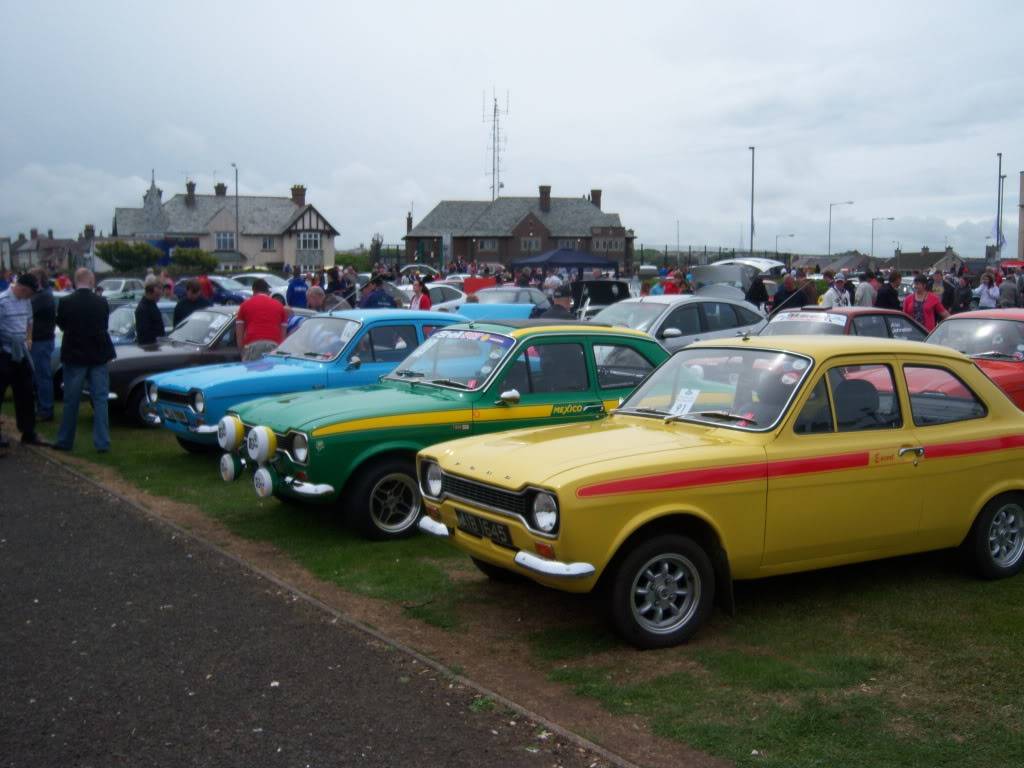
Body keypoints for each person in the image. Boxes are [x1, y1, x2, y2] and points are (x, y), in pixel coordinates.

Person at [53, 268, 116, 452]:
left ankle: (65, 440)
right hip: (98, 355)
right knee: (100, 400)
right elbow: (104, 325)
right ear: (91, 281)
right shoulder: (101, 302)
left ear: (75, 281)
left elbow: (62, 325)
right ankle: (102, 442)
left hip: (74, 355)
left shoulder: (66, 302)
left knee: (71, 400)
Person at [0, 273, 49, 449]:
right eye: (29, 292)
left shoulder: (26, 301)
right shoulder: (2, 301)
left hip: (22, 354)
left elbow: (29, 321)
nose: (30, 296)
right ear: (22, 288)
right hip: (5, 354)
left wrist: (29, 339)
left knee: (26, 394)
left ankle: (28, 433)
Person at [235, 278, 290, 361]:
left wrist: (242, 351)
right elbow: (283, 333)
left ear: (253, 290)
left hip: (252, 345)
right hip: (274, 346)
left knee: (253, 373)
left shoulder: (244, 305)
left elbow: (239, 333)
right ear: (267, 290)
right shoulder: (279, 306)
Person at [29, 267, 56, 421]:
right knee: (37, 376)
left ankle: (46, 410)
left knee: (42, 376)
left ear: (38, 280)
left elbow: (27, 308)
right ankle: (42, 407)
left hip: (41, 341)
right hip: (40, 340)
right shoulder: (44, 294)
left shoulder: (42, 296)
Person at [134, 278, 164, 345]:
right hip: (150, 348)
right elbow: (144, 334)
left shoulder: (152, 305)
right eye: (158, 294)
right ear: (151, 291)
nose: (161, 293)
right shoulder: (143, 308)